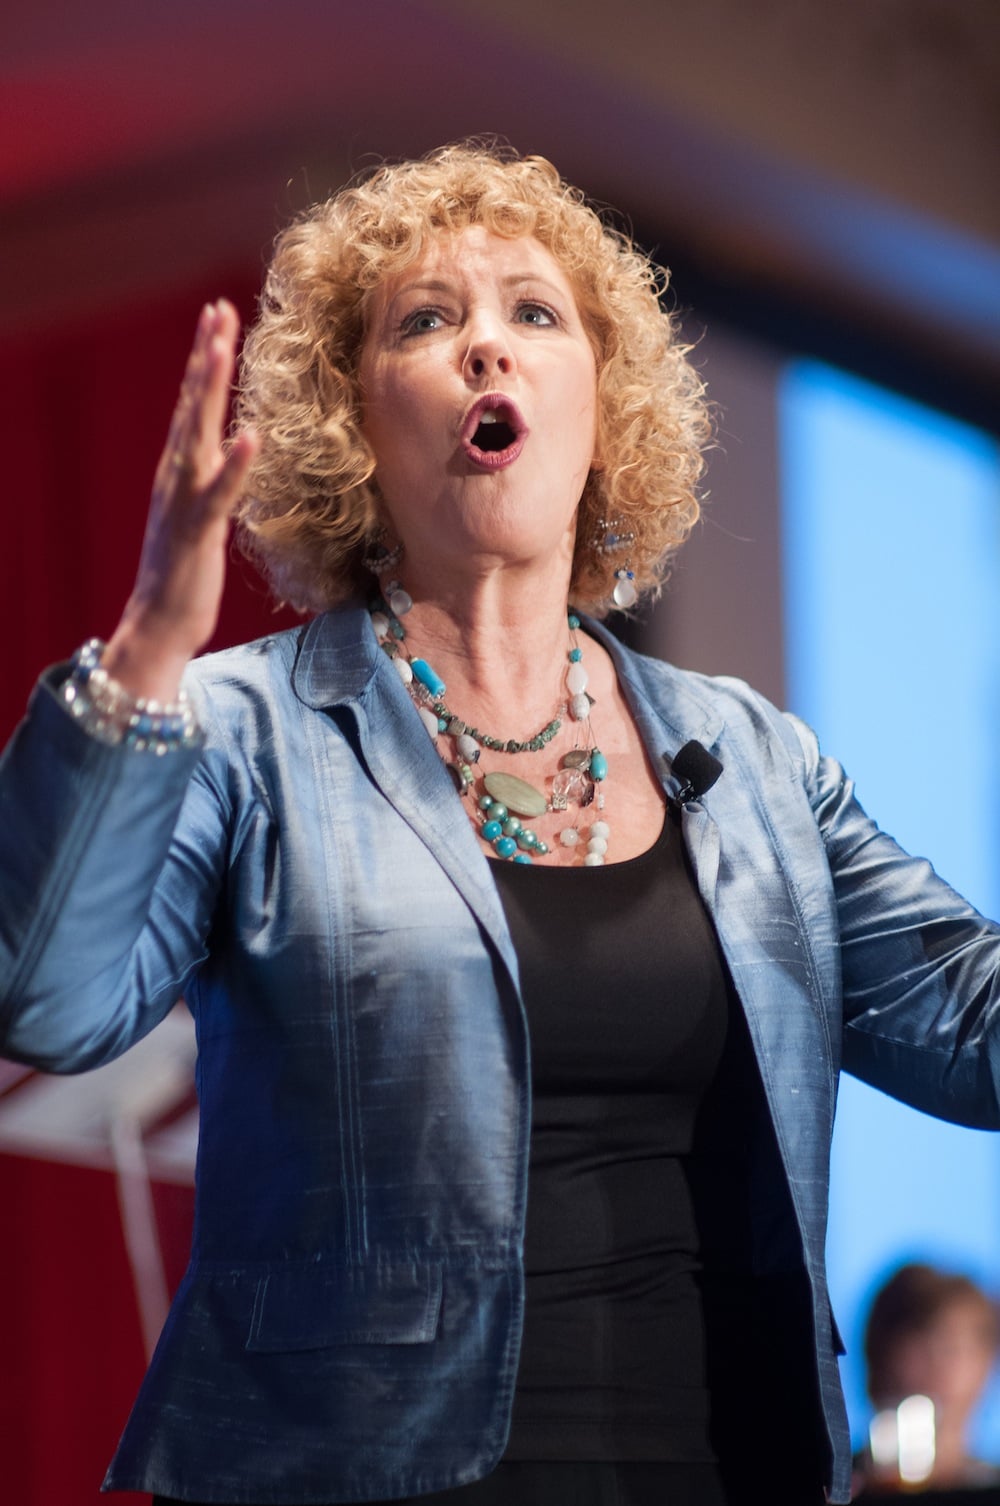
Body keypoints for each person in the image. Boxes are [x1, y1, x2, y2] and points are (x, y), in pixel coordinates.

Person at [2, 141, 1000, 1506]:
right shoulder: (246, 729)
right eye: (427, 320)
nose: (488, 346)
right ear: (353, 421)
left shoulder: (754, 761)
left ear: (604, 406)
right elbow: (47, 998)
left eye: (535, 312)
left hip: (724, 1464)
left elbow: (977, 1028)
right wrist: (142, 661)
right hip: (353, 1473)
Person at [857, 1263, 1000, 1491]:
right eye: (918, 1345)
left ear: (987, 1363)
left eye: (954, 1348)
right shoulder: (832, 1487)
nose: (940, 1366)